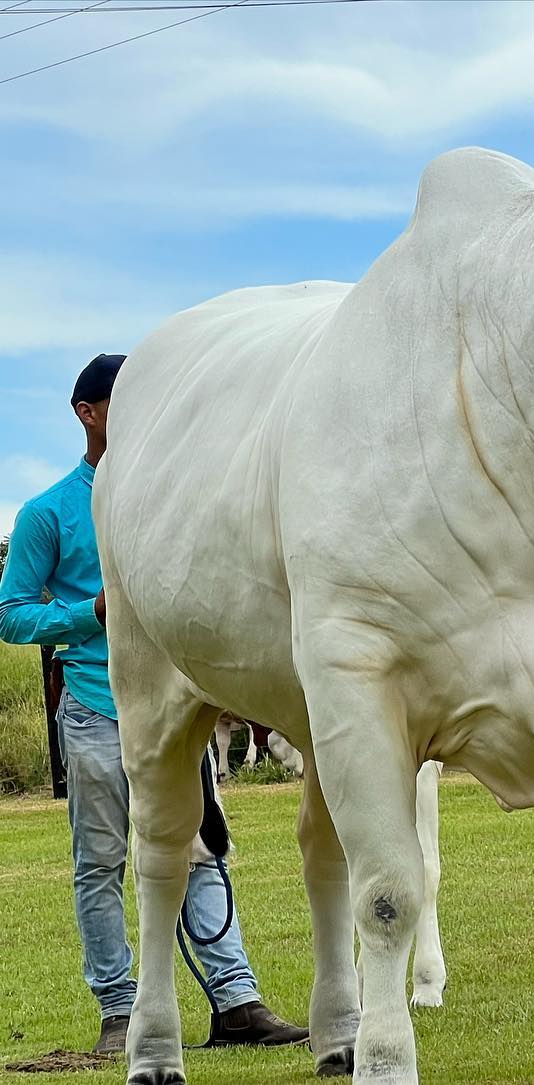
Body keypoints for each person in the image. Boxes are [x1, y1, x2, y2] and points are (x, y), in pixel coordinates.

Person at [0, 354, 308, 1056]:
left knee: (200, 853)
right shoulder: (49, 512)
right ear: (87, 412)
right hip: (95, 708)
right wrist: (90, 613)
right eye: (124, 398)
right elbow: (11, 614)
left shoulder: (174, 499)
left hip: (179, 710)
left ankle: (236, 1001)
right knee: (102, 863)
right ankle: (119, 1012)